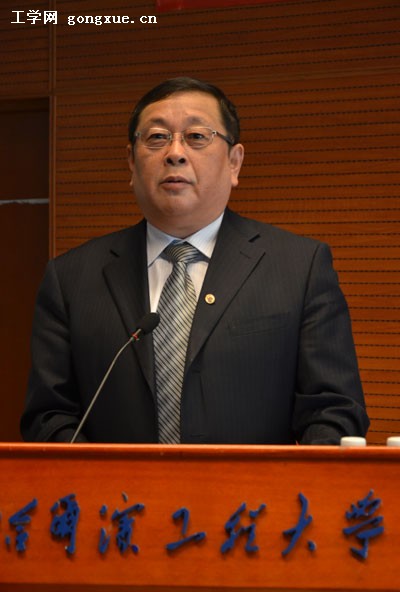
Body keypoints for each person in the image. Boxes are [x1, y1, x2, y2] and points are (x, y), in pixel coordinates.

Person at [21, 77, 369, 444]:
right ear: (131, 163)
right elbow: (48, 416)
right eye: (157, 137)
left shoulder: (299, 267)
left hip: (255, 485)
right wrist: (101, 477)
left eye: (197, 136)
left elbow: (334, 411)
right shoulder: (71, 278)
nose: (175, 153)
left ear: (234, 162)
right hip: (113, 485)